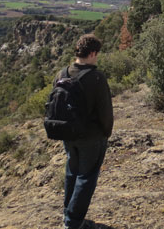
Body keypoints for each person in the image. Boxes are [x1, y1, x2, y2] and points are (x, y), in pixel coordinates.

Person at [56, 34, 113, 229]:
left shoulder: (62, 73)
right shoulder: (96, 77)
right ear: (92, 53)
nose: (97, 58)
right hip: (91, 137)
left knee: (72, 173)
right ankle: (73, 222)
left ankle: (68, 215)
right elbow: (106, 112)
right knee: (86, 178)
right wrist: (106, 133)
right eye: (97, 54)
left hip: (67, 134)